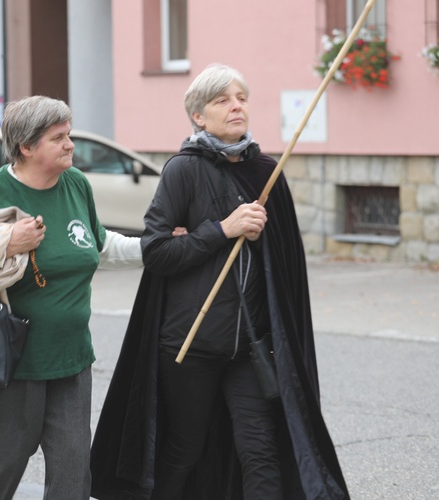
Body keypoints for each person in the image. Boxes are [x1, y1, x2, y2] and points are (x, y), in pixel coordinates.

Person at [90, 64, 350, 499]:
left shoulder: (266, 171)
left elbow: (283, 263)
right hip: (191, 343)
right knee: (183, 451)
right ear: (198, 115)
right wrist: (221, 230)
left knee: (260, 450)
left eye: (241, 98)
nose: (236, 106)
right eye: (222, 100)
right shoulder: (182, 170)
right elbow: (156, 251)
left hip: (251, 344)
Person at [0, 95, 142, 500]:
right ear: (26, 147)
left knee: (73, 469)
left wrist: (158, 248)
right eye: (58, 138)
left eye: (69, 135)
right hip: (9, 361)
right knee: (3, 462)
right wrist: (6, 241)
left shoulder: (76, 184)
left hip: (71, 357)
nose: (69, 145)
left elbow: (97, 245)